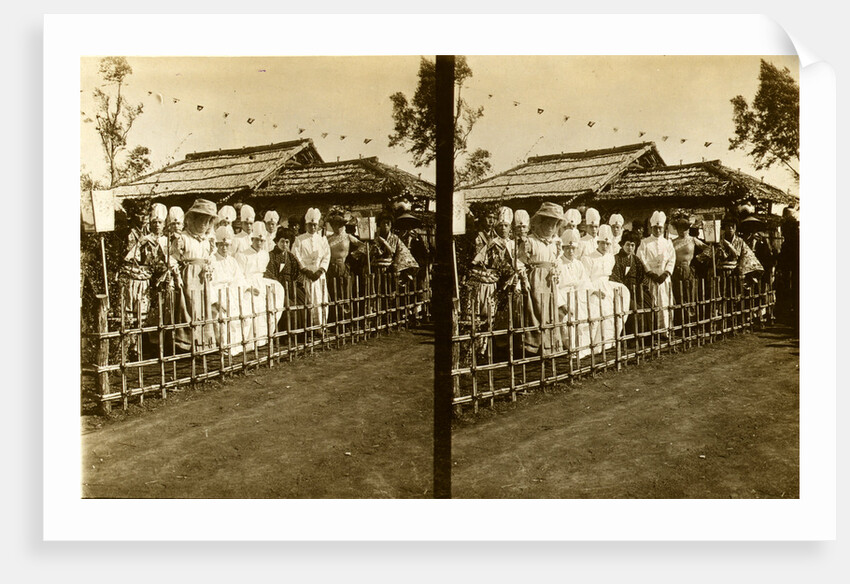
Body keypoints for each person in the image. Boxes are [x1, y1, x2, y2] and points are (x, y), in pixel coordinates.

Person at [168, 199, 218, 352]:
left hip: (203, 278)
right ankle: (187, 343)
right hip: (188, 276)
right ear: (193, 220)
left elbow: (210, 258)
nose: (203, 224)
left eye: (207, 221)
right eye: (201, 220)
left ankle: (204, 341)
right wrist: (177, 276)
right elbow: (172, 258)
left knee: (203, 307)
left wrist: (209, 267)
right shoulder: (183, 238)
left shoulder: (207, 241)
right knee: (189, 306)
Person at [516, 202, 564, 355]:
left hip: (550, 281)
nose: (550, 227)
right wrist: (524, 279)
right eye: (547, 223)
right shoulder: (530, 241)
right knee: (536, 311)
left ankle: (549, 346)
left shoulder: (555, 243)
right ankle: (534, 346)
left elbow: (557, 260)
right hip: (535, 280)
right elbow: (519, 262)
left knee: (550, 312)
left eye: (554, 224)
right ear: (540, 223)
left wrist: (556, 269)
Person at [580, 225, 631, 353]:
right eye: (602, 243)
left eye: (607, 244)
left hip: (606, 286)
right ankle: (593, 345)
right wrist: (593, 291)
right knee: (597, 314)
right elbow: (585, 279)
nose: (605, 246)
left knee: (611, 311)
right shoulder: (588, 258)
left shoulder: (610, 257)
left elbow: (608, 276)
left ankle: (607, 342)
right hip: (593, 288)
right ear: (598, 243)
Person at [235, 221, 286, 346]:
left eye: (262, 241)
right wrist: (248, 287)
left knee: (274, 296)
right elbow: (239, 276)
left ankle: (263, 338)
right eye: (257, 240)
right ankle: (250, 341)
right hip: (247, 283)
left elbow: (262, 273)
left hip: (260, 282)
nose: (259, 243)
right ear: (252, 239)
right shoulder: (242, 255)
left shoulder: (264, 254)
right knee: (253, 306)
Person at [210, 225, 249, 355]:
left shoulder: (232, 260)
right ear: (217, 245)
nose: (224, 248)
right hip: (217, 294)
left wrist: (243, 290)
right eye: (221, 245)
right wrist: (215, 301)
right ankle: (223, 345)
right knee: (221, 317)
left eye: (226, 245)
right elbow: (208, 283)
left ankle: (236, 345)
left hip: (231, 292)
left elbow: (239, 278)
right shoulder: (211, 260)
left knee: (241, 313)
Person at [636, 210, 676, 334]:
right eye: (655, 228)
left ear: (663, 228)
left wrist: (666, 273)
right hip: (651, 278)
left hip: (664, 279)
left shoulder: (668, 243)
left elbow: (672, 259)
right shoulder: (645, 243)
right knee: (653, 302)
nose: (658, 230)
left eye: (660, 228)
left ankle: (666, 330)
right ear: (651, 227)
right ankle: (654, 331)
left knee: (665, 303)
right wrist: (650, 273)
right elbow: (641, 258)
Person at [291, 208, 331, 326]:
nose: (312, 227)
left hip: (319, 275)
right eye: (310, 225)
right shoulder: (299, 240)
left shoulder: (322, 240)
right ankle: (310, 327)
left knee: (321, 299)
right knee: (309, 299)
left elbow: (327, 256)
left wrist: (320, 270)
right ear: (306, 225)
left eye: (315, 225)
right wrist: (305, 269)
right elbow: (296, 255)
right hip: (306, 275)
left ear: (317, 225)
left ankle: (321, 326)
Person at [669, 211, 707, 323]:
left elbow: (707, 248)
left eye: (685, 228)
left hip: (688, 270)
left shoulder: (693, 240)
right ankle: (679, 321)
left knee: (689, 295)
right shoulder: (672, 242)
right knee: (677, 296)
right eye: (680, 228)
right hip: (675, 271)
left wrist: (699, 258)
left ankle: (690, 321)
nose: (683, 231)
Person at [610, 229, 649, 334]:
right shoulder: (616, 259)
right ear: (622, 245)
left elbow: (642, 277)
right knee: (635, 310)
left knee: (649, 306)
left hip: (636, 291)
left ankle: (643, 336)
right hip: (622, 292)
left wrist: (642, 290)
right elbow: (615, 278)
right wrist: (626, 290)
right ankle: (629, 337)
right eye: (627, 245)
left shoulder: (636, 260)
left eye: (632, 245)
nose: (630, 248)